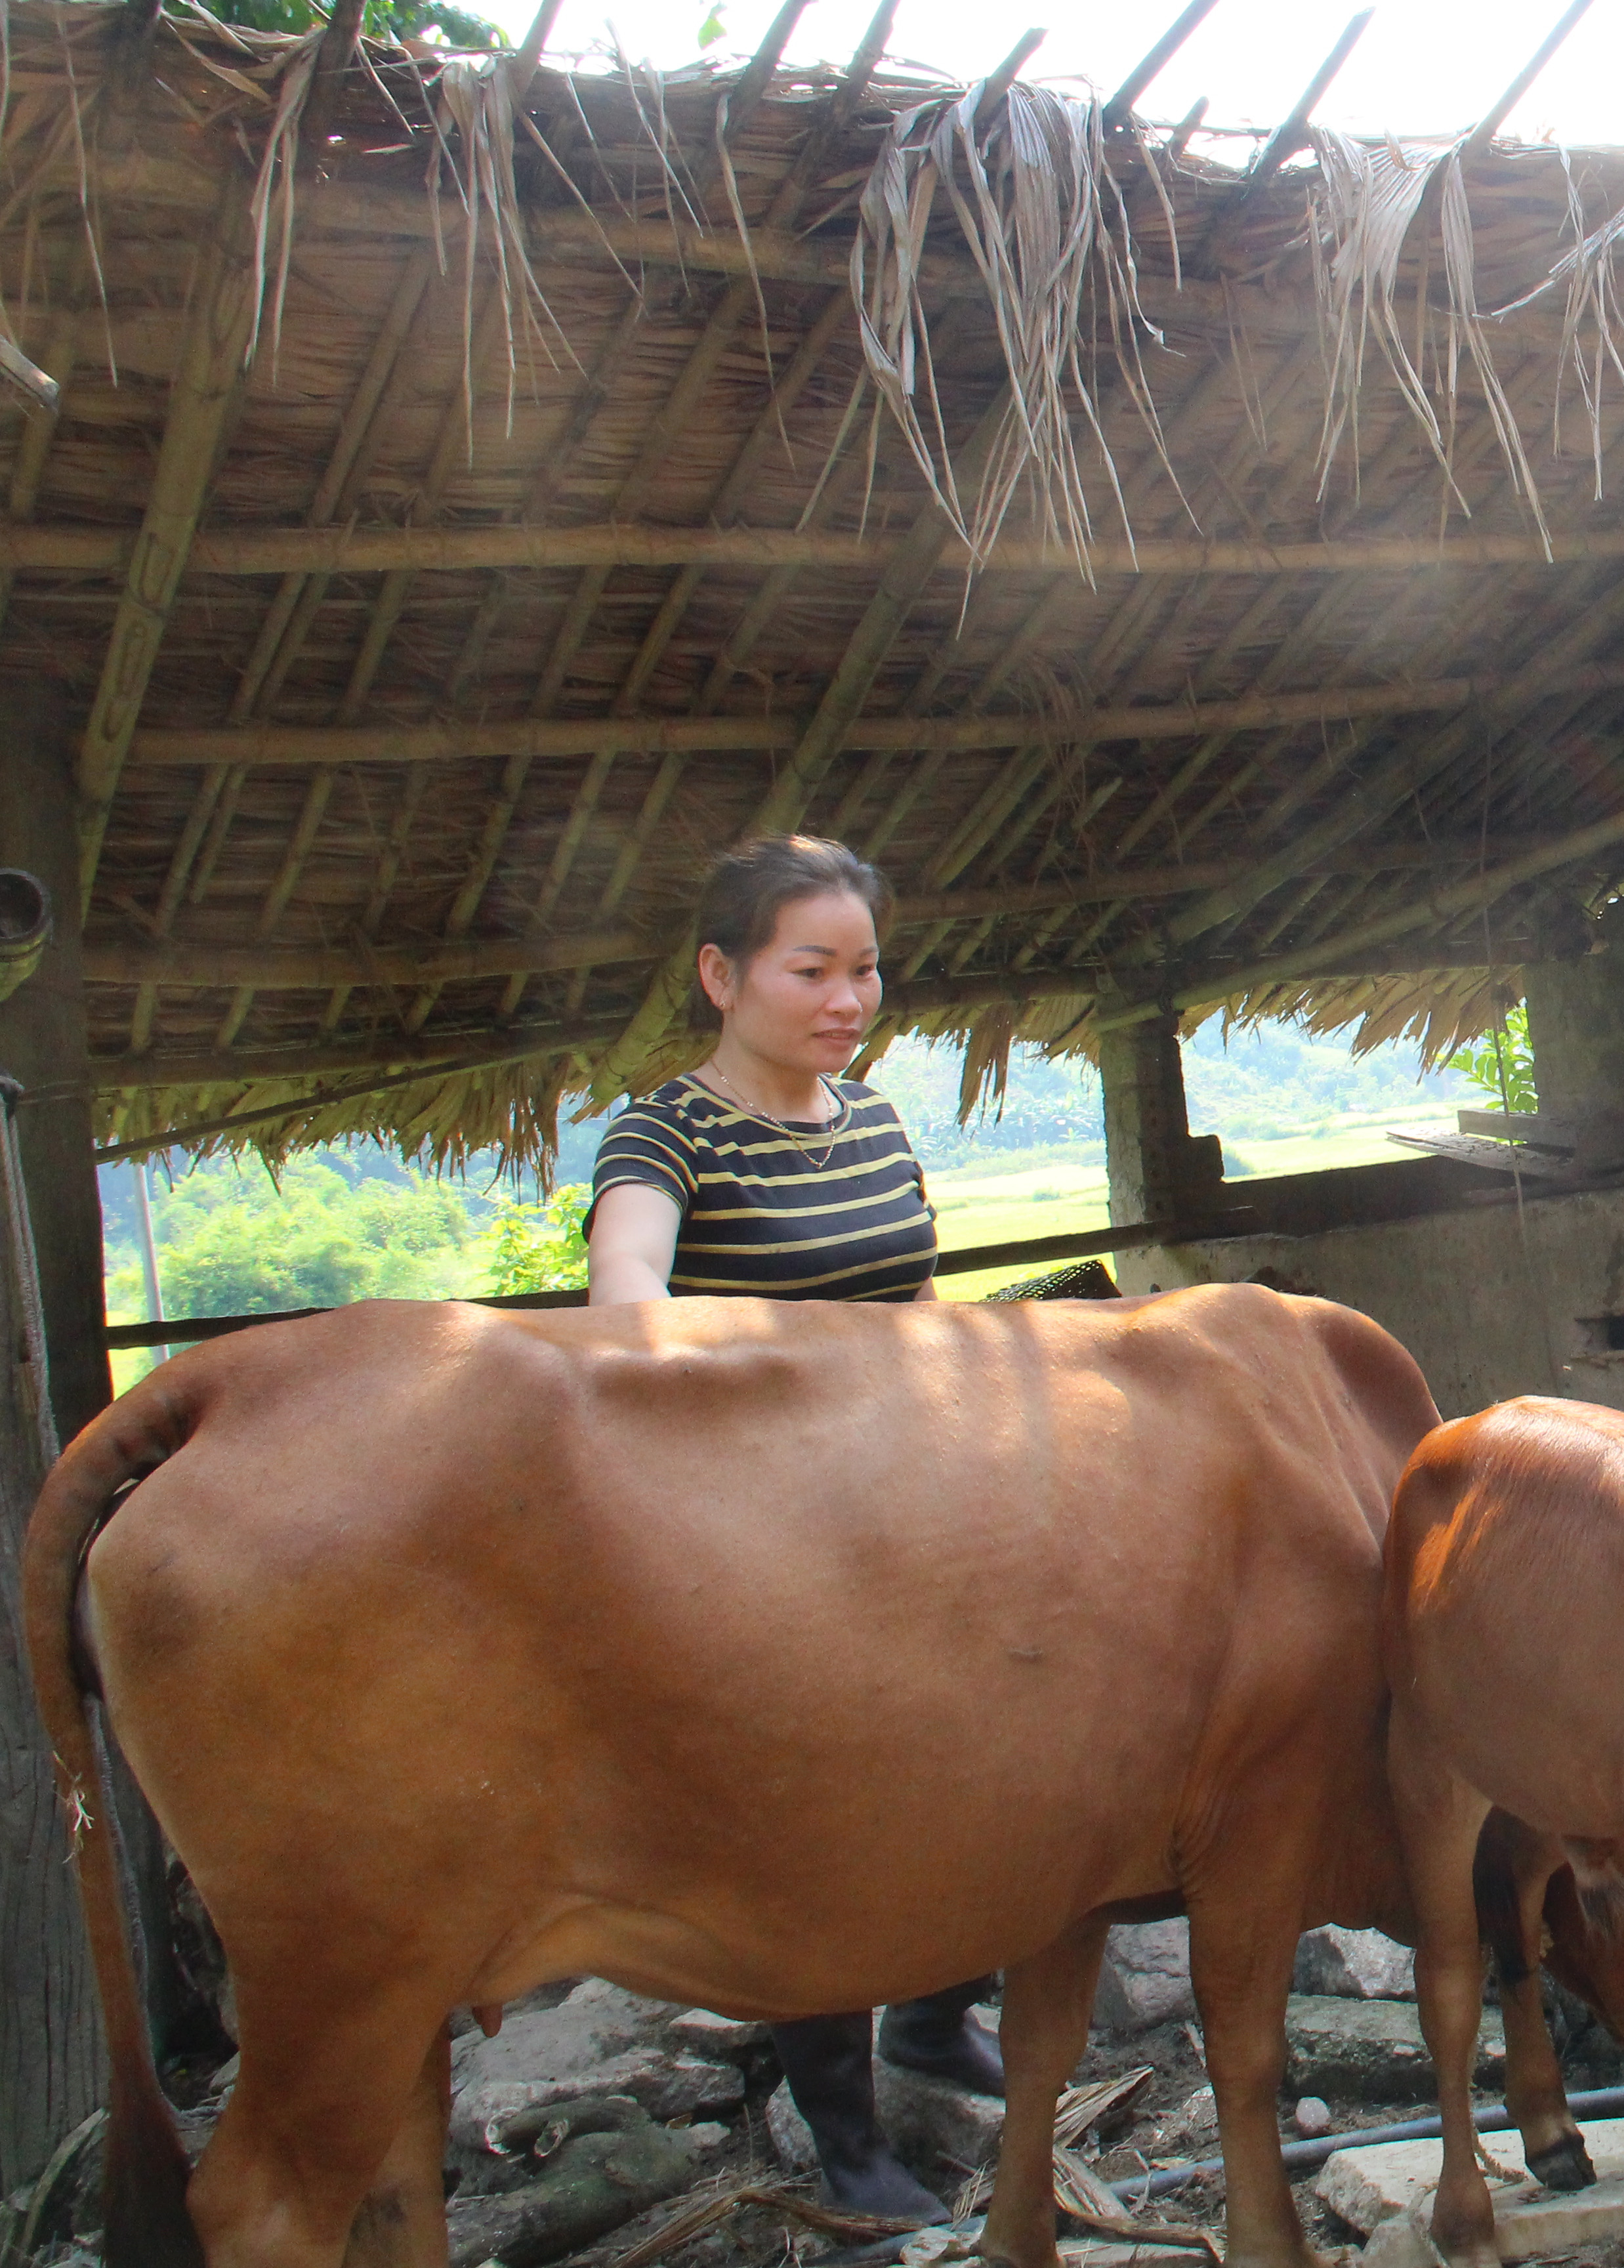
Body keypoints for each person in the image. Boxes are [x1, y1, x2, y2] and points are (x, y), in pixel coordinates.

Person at [585, 833, 1001, 2221]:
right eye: (810, 968)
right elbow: (626, 1291)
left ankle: (938, 2018)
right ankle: (852, 2146)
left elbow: (914, 1316)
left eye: (865, 968)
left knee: (984, 1760)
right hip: (764, 1541)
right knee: (813, 1827)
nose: (847, 998)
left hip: (913, 1513)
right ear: (721, 974)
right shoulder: (666, 1134)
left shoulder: (874, 1121)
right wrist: (677, 1345)